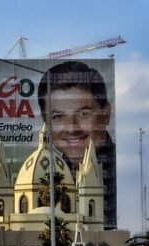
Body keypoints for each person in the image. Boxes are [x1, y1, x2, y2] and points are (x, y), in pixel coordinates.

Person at [37, 61, 117, 228]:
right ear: (45, 122)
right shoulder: (46, 172)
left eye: (83, 113)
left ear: (105, 114)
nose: (72, 128)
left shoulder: (116, 171)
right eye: (58, 116)